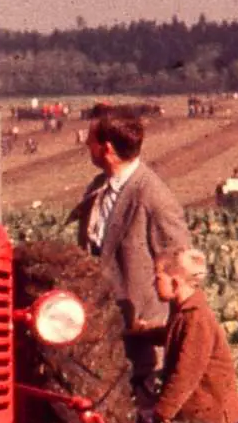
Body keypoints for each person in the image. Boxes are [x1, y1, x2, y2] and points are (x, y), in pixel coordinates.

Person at [72, 105, 191, 394]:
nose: (86, 144)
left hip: (142, 349)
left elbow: (182, 273)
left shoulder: (153, 197)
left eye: (91, 139)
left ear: (108, 148)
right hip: (105, 335)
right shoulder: (99, 187)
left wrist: (160, 329)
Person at [151, 248, 238, 423]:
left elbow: (186, 373)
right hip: (201, 407)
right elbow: (172, 334)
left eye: (158, 278)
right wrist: (138, 334)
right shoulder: (183, 310)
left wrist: (162, 412)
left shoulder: (197, 318)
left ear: (176, 283)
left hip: (213, 412)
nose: (153, 284)